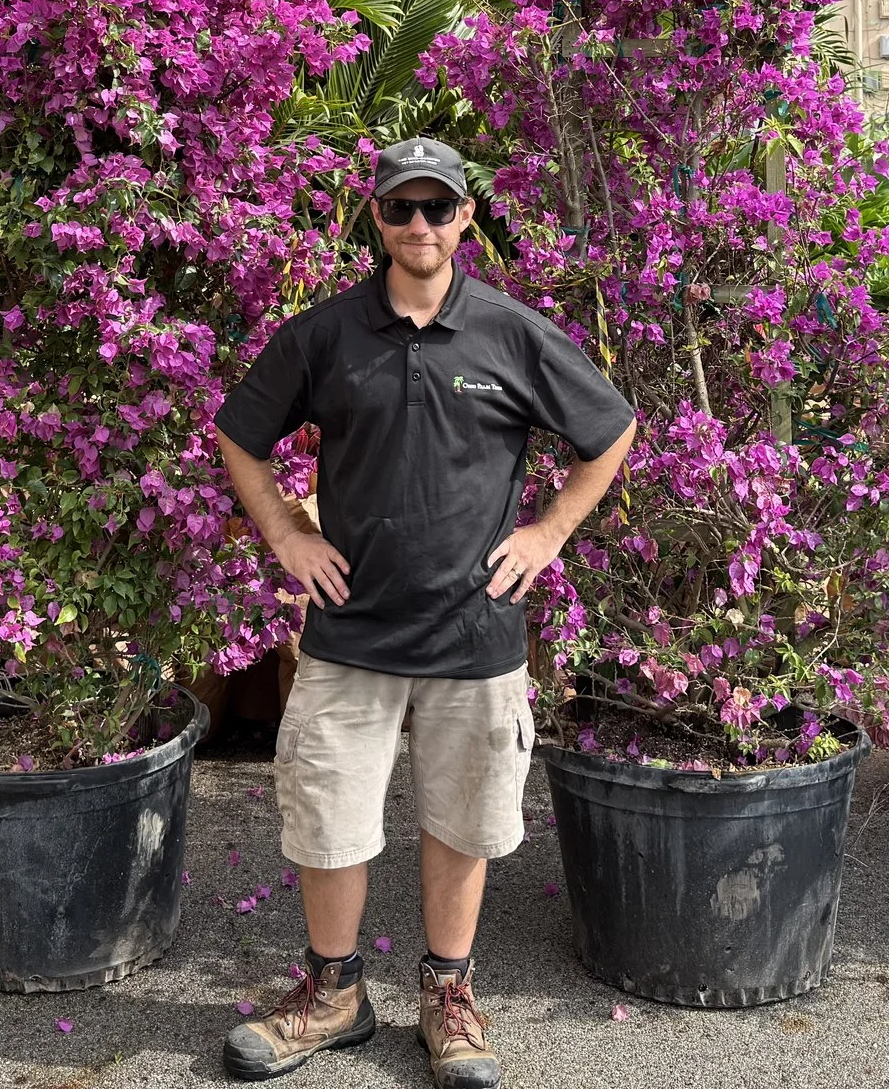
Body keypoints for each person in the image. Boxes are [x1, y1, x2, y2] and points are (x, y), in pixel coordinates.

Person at [214, 137, 637, 1087]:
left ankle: (447, 996)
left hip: (474, 631)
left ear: (465, 220)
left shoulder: (511, 332)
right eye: (401, 208)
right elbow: (238, 435)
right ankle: (334, 995)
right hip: (351, 631)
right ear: (377, 219)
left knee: (461, 817)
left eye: (437, 208)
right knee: (329, 815)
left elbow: (609, 432)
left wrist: (548, 532)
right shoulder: (324, 336)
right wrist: (287, 534)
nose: (419, 225)